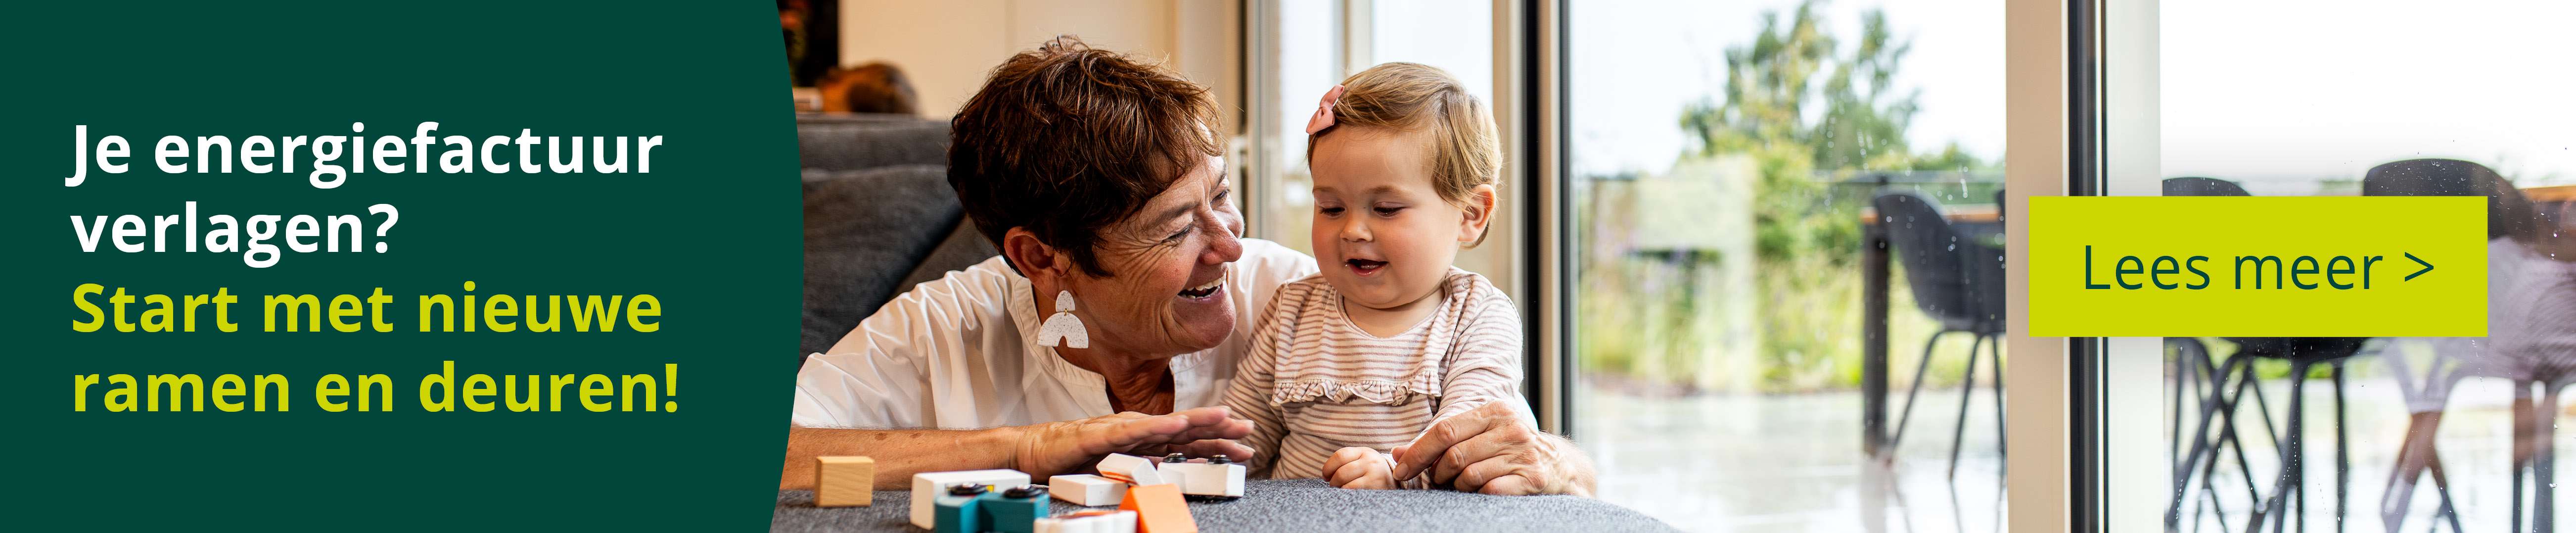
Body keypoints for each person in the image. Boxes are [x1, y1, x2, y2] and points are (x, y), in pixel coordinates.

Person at [782, 36, 1596, 497]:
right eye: (1177, 227)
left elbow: (1493, 434)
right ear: (1041, 256)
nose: (1231, 245)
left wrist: (1563, 465)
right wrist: (1034, 449)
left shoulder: (1309, 296)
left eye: (1224, 196)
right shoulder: (947, 326)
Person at [1221, 63, 1533, 491]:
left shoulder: (1478, 316)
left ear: (1470, 214)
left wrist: (1393, 471)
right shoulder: (1292, 309)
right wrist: (1191, 462)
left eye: (1385, 209)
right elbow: (1240, 439)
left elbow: (1467, 441)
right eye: (1331, 208)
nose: (1352, 230)